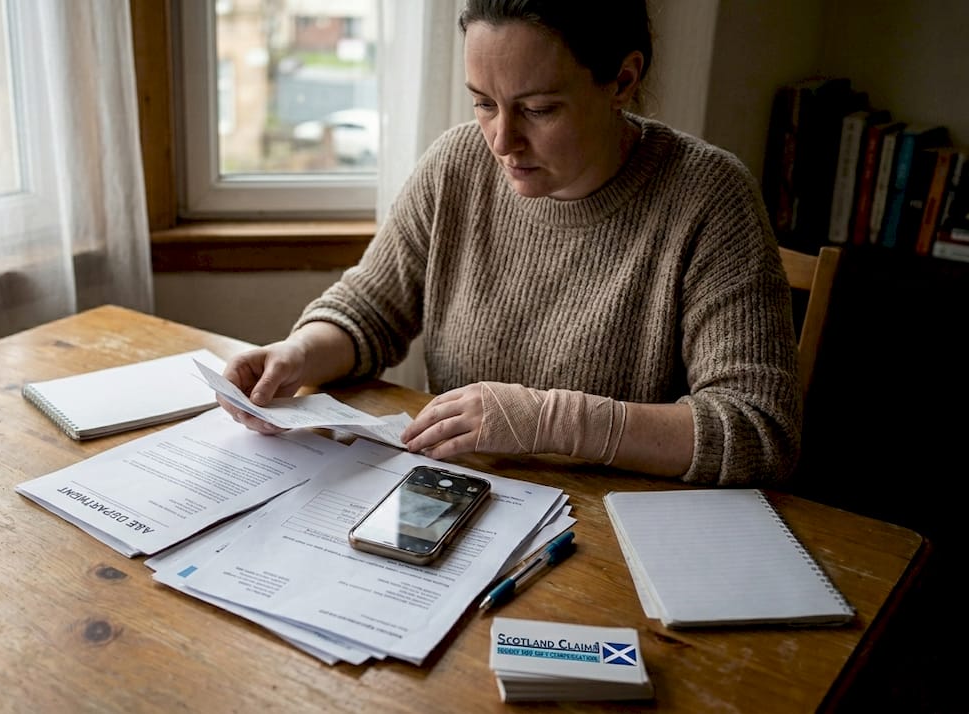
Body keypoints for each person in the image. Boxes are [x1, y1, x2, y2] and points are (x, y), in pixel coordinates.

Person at [218, 0, 800, 486]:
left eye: (538, 109)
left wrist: (550, 421)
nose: (501, 140)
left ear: (622, 80)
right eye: (483, 102)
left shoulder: (710, 197)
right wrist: (298, 352)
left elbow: (759, 430)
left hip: (618, 533)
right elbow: (369, 309)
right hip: (462, 500)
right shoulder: (457, 164)